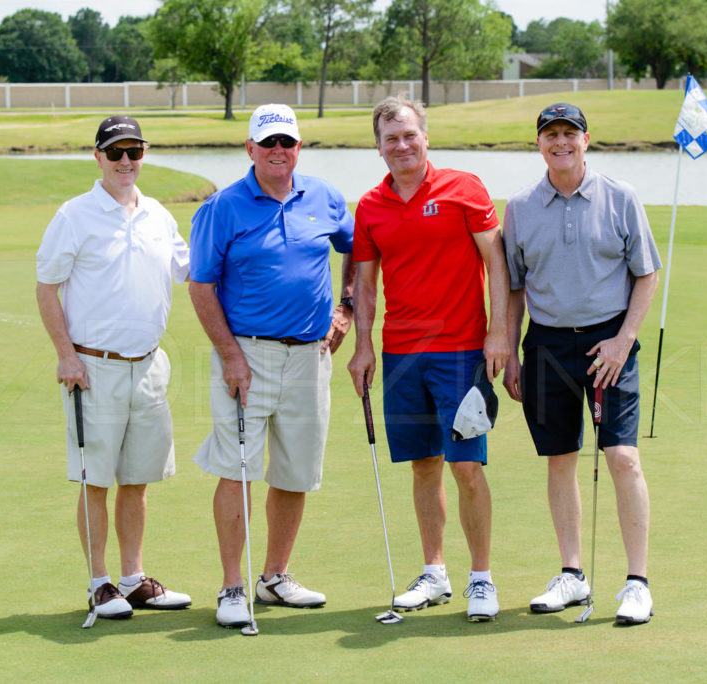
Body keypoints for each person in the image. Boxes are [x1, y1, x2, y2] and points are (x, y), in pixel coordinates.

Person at [189, 104, 355, 629]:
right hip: (248, 356)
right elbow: (201, 285)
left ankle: (275, 577)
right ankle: (232, 585)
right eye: (268, 144)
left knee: (295, 473)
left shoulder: (324, 197)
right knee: (236, 471)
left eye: (287, 142)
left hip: (312, 355)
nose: (278, 151)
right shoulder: (223, 207)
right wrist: (231, 356)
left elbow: (358, 250)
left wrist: (345, 308)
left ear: (298, 147)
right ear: (250, 149)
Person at [347, 95, 510, 622]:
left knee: (466, 466)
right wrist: (363, 345)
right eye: (390, 138)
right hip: (401, 355)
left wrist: (499, 332)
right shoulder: (371, 207)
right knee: (423, 466)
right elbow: (365, 285)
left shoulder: (464, 189)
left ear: (425, 137)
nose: (402, 145)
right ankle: (434, 573)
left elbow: (497, 261)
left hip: (461, 353)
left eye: (409, 135)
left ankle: (480, 578)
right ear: (378, 147)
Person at [502, 102, 661, 625]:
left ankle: (637, 583)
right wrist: (509, 349)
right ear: (540, 143)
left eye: (570, 134)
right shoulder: (521, 205)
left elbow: (646, 274)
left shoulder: (620, 197)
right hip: (546, 345)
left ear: (586, 140)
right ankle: (572, 575)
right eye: (551, 135)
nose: (561, 143)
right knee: (560, 459)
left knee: (622, 457)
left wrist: (624, 340)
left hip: (609, 344)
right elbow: (514, 287)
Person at [37, 115, 192, 620]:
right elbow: (47, 288)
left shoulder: (158, 215)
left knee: (138, 479)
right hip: (93, 369)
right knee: (95, 481)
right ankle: (100, 583)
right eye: (116, 152)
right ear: (99, 157)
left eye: (135, 151)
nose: (127, 161)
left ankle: (132, 579)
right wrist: (66, 354)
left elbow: (191, 271)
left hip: (148, 366)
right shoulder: (74, 215)